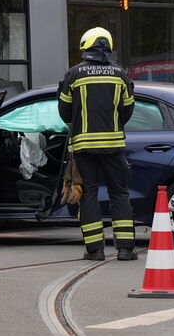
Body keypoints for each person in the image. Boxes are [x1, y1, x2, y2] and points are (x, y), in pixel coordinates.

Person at [58, 27, 137, 261]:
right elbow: (128, 110)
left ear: (86, 46)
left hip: (83, 147)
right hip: (114, 146)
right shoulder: (120, 74)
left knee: (88, 195)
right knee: (120, 194)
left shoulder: (73, 75)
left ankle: (95, 250)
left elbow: (64, 112)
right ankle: (125, 249)